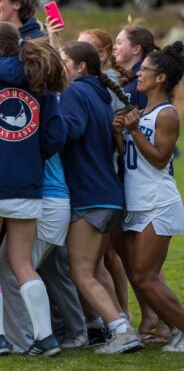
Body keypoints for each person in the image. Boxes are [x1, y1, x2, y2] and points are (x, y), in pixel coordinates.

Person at [0, 21, 67, 357]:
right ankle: (46, 338)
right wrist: (29, 154)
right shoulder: (41, 80)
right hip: (27, 182)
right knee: (23, 262)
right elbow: (55, 136)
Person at [59, 41, 143, 354]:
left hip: (88, 196)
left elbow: (70, 131)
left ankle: (121, 332)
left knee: (81, 272)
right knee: (96, 270)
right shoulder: (96, 92)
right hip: (108, 194)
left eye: (64, 61)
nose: (61, 66)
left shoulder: (74, 93)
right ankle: (118, 324)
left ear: (81, 67)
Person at [114, 41, 184, 353]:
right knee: (143, 276)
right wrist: (121, 133)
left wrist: (136, 131)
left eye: (145, 71)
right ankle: (174, 329)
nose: (138, 74)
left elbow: (158, 160)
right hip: (137, 203)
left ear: (161, 79)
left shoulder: (166, 115)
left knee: (144, 276)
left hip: (158, 203)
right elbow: (129, 158)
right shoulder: (141, 111)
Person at [114, 25, 159, 110]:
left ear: (135, 48)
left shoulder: (145, 81)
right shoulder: (123, 79)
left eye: (119, 43)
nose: (114, 47)